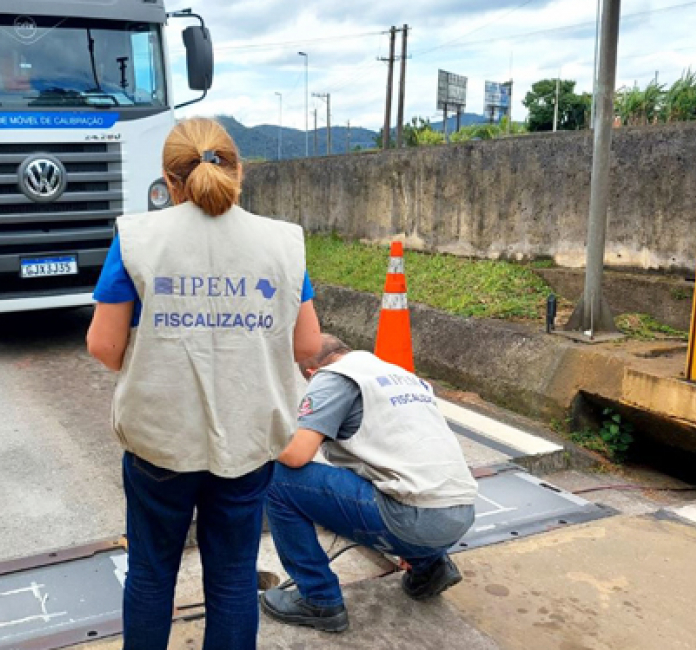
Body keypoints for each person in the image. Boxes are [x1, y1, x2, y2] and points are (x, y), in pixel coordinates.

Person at [86, 117, 321, 650]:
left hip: (160, 441)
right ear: (239, 173)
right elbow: (308, 347)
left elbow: (104, 346)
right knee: (234, 577)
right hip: (246, 440)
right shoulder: (282, 245)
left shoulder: (138, 240)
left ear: (169, 182)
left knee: (151, 573)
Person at [261, 334, 478, 633]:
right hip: (461, 515)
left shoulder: (332, 378)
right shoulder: (398, 374)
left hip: (413, 521)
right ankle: (431, 568)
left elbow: (297, 455)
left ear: (311, 373)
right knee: (378, 478)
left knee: (275, 478)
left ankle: (318, 599)